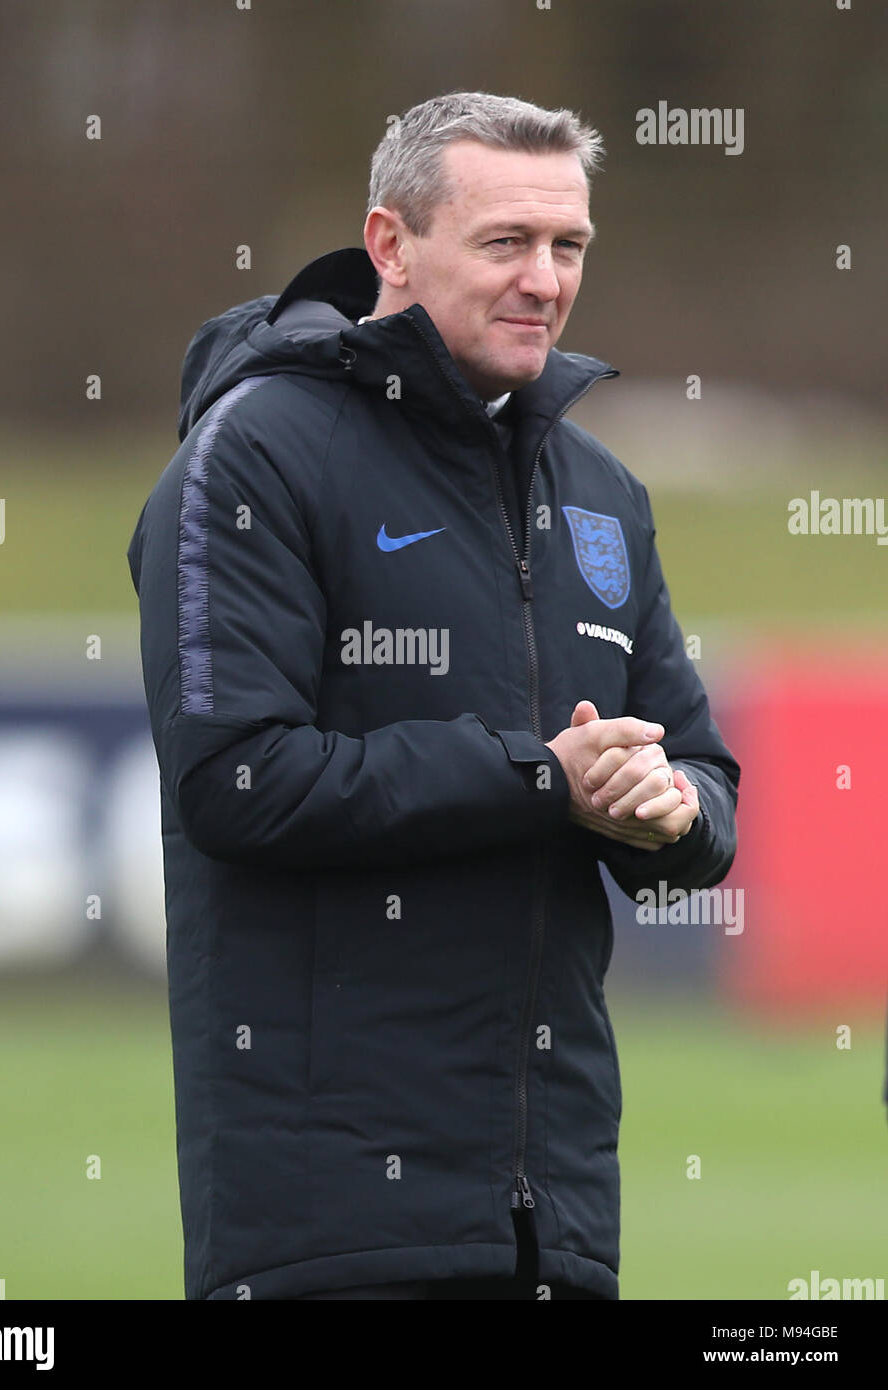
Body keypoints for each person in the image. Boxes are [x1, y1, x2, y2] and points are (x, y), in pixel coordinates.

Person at [127, 91, 740, 1301]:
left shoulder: (600, 488)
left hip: (553, 1214)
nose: (544, 280)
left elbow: (706, 777)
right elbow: (234, 780)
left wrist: (665, 809)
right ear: (391, 245)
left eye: (568, 246)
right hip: (326, 1222)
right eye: (504, 242)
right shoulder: (254, 454)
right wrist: (538, 780)